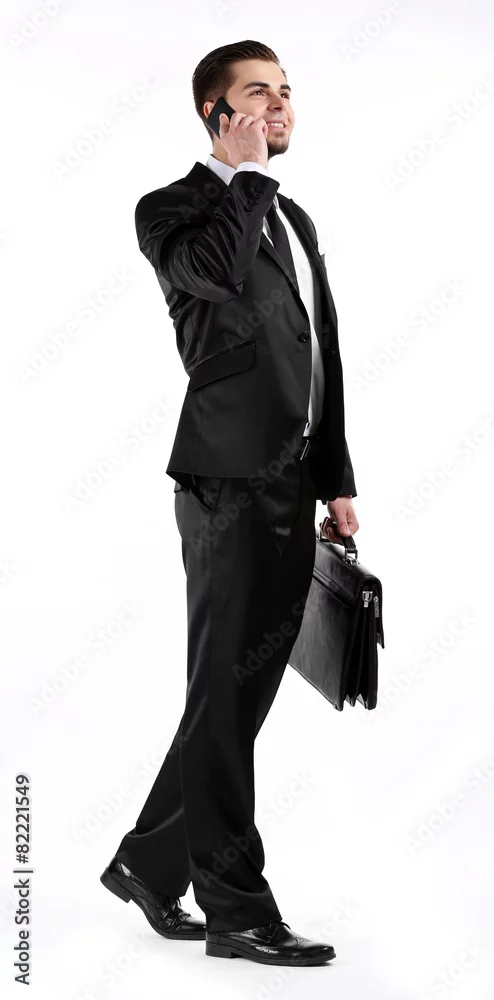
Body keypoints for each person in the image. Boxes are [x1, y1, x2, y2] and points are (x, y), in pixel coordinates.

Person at [100, 39, 359, 967]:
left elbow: (319, 348)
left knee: (236, 696)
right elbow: (208, 275)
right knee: (223, 692)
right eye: (258, 93)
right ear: (215, 113)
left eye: (286, 91)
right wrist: (243, 177)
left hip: (294, 480)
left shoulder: (294, 217)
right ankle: (237, 908)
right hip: (224, 482)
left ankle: (146, 864)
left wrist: (337, 477)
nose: (280, 105)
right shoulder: (171, 209)